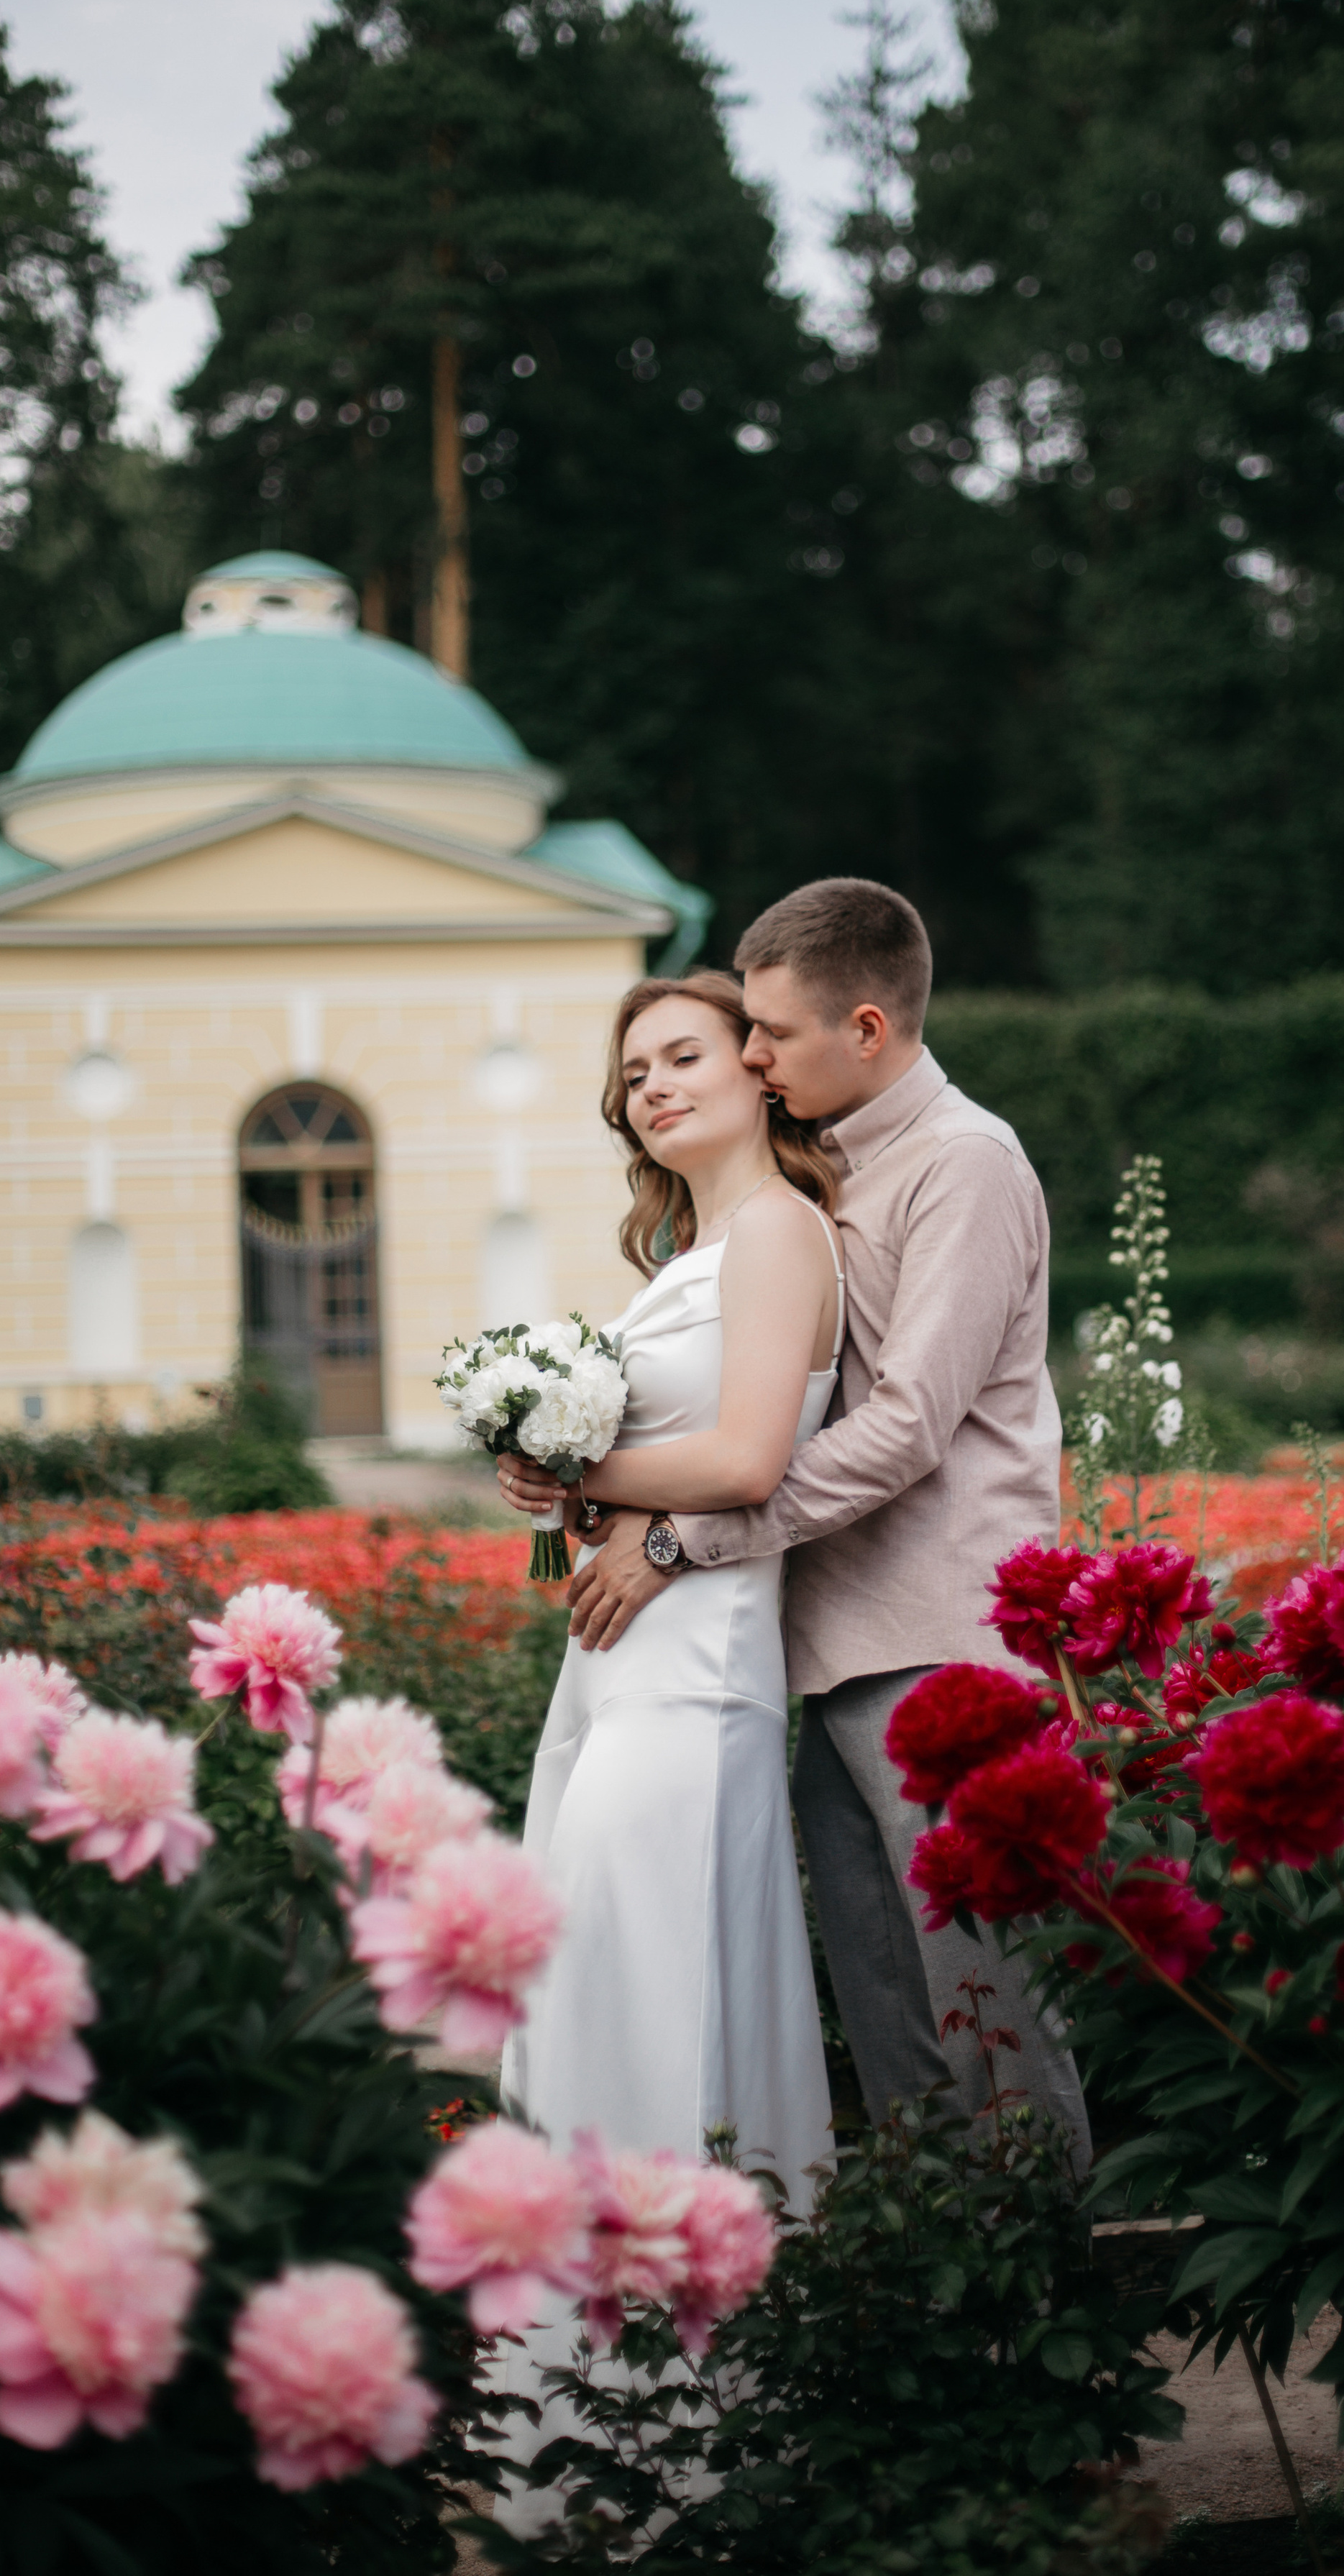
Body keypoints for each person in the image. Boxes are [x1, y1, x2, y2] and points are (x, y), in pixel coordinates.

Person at [510, 877, 1089, 2170]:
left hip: (946, 1647)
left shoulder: (966, 1166)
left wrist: (681, 1539)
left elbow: (907, 1430)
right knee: (892, 2026)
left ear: (868, 1030)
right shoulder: (823, 1182)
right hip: (828, 1647)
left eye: (769, 1033)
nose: (752, 1055)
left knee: (989, 2011)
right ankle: (936, 2312)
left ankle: (1046, 2327)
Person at [490, 969, 840, 2529]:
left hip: (698, 1682)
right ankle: (588, 2396)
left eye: (682, 1055)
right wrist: (574, 1488)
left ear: (758, 1075)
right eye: (631, 1069)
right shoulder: (681, 1256)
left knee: (650, 1999)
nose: (650, 1084)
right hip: (626, 1676)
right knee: (594, 1994)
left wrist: (578, 1468)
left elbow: (754, 1453)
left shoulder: (776, 1232)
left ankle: (674, 2425)